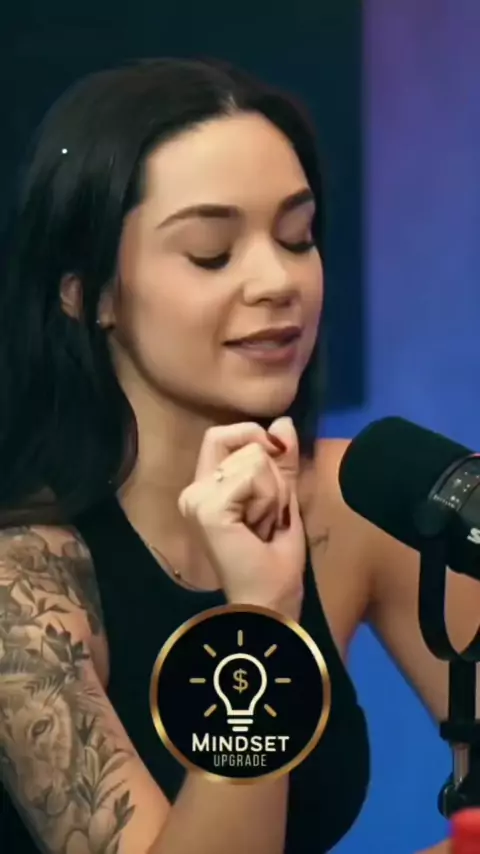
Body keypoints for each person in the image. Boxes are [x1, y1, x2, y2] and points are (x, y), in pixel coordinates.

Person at [0, 57, 470, 854]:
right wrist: (258, 619)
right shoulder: (23, 587)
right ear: (88, 294)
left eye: (296, 238)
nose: (277, 281)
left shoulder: (362, 497)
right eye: (212, 253)